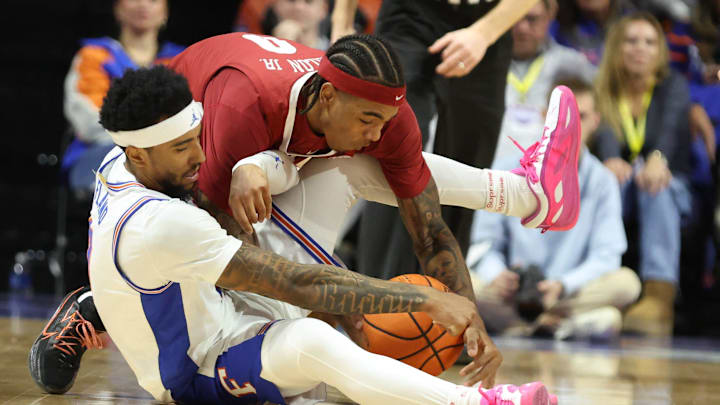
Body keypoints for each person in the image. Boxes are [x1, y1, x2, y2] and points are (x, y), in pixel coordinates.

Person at [30, 66, 558, 405]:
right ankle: (480, 404)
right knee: (312, 340)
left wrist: (256, 165)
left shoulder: (119, 162)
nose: (199, 157)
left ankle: (522, 193)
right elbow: (298, 284)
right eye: (181, 150)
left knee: (341, 167)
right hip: (197, 369)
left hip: (202, 293)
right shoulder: (160, 223)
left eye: (198, 139)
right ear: (140, 154)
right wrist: (423, 300)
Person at [330, 0, 543, 280]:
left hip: (490, 17)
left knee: (469, 159)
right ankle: (379, 297)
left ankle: (443, 305)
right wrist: (342, 25)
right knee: (393, 144)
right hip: (410, 16)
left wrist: (483, 34)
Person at [471, 78, 641, 340]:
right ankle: (558, 327)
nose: (571, 127)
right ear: (544, 117)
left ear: (595, 121)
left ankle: (521, 327)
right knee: (464, 281)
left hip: (566, 292)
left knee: (627, 283)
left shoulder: (602, 180)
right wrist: (497, 275)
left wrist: (563, 286)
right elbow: (483, 243)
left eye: (580, 117)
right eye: (562, 118)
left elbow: (606, 255)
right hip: (513, 294)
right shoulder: (506, 168)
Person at [593, 12, 692, 336]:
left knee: (656, 186)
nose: (640, 49)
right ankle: (601, 287)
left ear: (660, 51)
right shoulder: (604, 88)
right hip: (624, 187)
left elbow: (670, 132)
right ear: (616, 48)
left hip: (672, 188)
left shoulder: (672, 86)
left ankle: (658, 297)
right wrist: (609, 159)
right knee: (605, 184)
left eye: (649, 42)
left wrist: (656, 158)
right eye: (631, 41)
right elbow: (606, 132)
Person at [63, 0, 183, 195]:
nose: (143, 5)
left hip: (170, 158)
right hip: (101, 153)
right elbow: (89, 119)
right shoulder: (94, 56)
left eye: (153, 0)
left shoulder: (180, 61)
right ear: (117, 9)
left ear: (165, 11)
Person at [493, 0, 595, 162]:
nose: (522, 27)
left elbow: (605, 105)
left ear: (550, 13)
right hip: (491, 174)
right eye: (514, 18)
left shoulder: (572, 64)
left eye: (532, 19)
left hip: (550, 171)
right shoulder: (485, 64)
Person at [262, 0, 331, 50]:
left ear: (323, 9)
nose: (299, 7)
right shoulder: (255, 52)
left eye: (308, 1)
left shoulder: (335, 56)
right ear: (276, 5)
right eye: (291, 0)